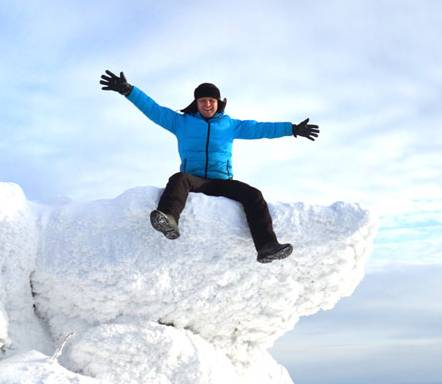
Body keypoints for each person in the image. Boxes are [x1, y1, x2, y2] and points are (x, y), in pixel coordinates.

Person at [99, 70, 319, 263]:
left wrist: (292, 129)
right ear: (196, 103)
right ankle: (168, 219)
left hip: (222, 181)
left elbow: (260, 129)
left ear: (218, 102)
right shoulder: (181, 122)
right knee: (179, 178)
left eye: (211, 100)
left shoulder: (229, 125)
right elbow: (153, 109)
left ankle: (267, 246)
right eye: (203, 100)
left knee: (253, 195)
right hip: (195, 180)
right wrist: (128, 91)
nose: (207, 104)